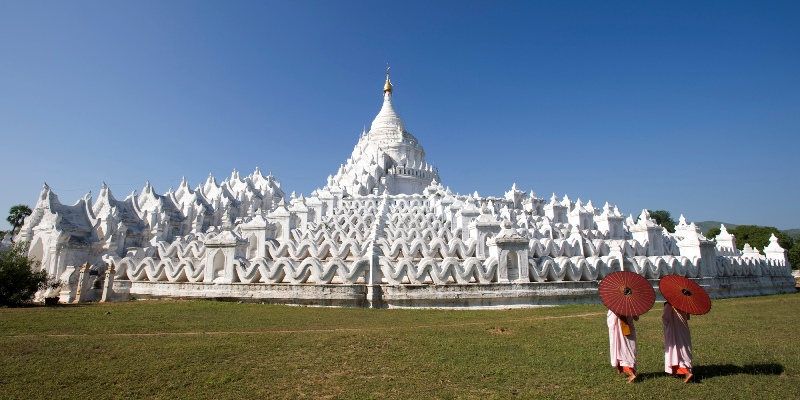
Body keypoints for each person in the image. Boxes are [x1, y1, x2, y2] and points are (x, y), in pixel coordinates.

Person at [662, 302, 693, 383]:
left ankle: (686, 372)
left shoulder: (669, 305)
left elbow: (665, 319)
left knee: (676, 351)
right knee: (685, 350)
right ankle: (682, 371)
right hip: (684, 330)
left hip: (674, 331)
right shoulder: (685, 303)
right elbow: (688, 317)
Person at [607, 310, 638, 383]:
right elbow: (636, 318)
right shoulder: (631, 306)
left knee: (623, 353)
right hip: (630, 331)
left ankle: (631, 374)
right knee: (630, 352)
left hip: (621, 332)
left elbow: (611, 322)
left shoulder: (615, 307)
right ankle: (632, 373)